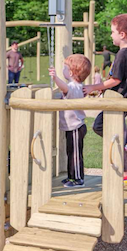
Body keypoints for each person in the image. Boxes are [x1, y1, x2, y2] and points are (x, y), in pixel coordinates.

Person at [85, 14, 127, 174]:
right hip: (124, 99)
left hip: (117, 101)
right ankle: (126, 167)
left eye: (113, 32)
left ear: (122, 35)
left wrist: (93, 87)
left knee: (99, 126)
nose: (111, 35)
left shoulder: (123, 54)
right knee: (115, 132)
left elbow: (115, 80)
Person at [49, 54, 91, 188]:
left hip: (75, 127)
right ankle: (71, 176)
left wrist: (55, 78)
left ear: (71, 72)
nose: (63, 69)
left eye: (65, 67)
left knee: (75, 154)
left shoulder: (74, 87)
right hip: (72, 127)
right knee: (71, 152)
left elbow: (64, 88)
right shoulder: (76, 86)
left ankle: (78, 178)